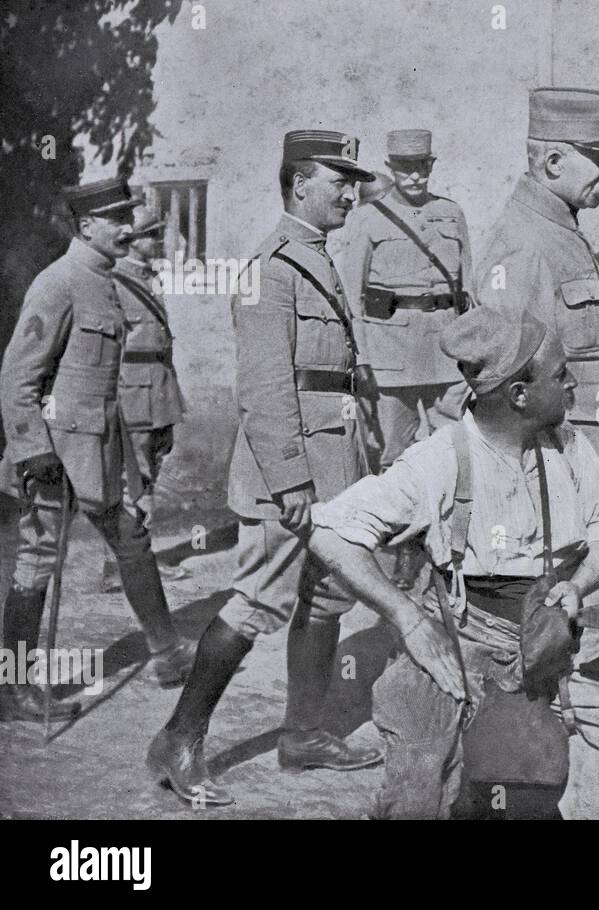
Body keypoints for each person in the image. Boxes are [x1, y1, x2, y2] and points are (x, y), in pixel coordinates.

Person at [309, 305, 599, 819]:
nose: (573, 383)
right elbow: (330, 533)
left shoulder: (567, 444)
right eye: (560, 374)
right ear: (519, 394)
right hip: (467, 630)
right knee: (416, 739)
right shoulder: (440, 458)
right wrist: (406, 618)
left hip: (562, 627)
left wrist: (580, 586)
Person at [147, 131, 382, 807]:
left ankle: (304, 734)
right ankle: (179, 739)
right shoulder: (271, 267)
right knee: (258, 599)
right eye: (338, 178)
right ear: (299, 182)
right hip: (292, 472)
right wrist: (291, 481)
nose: (350, 190)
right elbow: (266, 386)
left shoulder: (316, 257)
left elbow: (329, 372)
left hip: (334, 464)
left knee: (328, 597)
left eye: (352, 179)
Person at [0, 178, 195, 722]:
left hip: (99, 450)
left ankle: (167, 652)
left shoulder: (104, 280)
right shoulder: (58, 283)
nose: (128, 228)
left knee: (131, 538)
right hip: (54, 457)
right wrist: (32, 450)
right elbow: (17, 376)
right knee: (38, 560)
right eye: (117, 219)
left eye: (128, 217)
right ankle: (12, 688)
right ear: (87, 226)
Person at [475, 87, 599, 506]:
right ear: (554, 163)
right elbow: (512, 388)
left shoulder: (561, 233)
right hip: (557, 467)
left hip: (591, 453)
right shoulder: (521, 243)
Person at [336, 128, 473, 590]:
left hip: (446, 353)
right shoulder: (368, 219)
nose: (414, 175)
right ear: (391, 169)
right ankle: (401, 563)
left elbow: (467, 290)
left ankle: (455, 554)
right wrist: (361, 360)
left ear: (432, 166)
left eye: (422, 166)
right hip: (389, 356)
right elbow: (352, 297)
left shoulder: (451, 214)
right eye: (404, 167)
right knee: (394, 460)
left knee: (456, 452)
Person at [100, 206, 188, 592]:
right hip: (133, 395)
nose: (158, 241)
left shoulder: (147, 278)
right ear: (133, 241)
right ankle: (117, 566)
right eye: (152, 235)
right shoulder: (115, 282)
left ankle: (138, 557)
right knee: (130, 481)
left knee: (147, 479)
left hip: (159, 391)